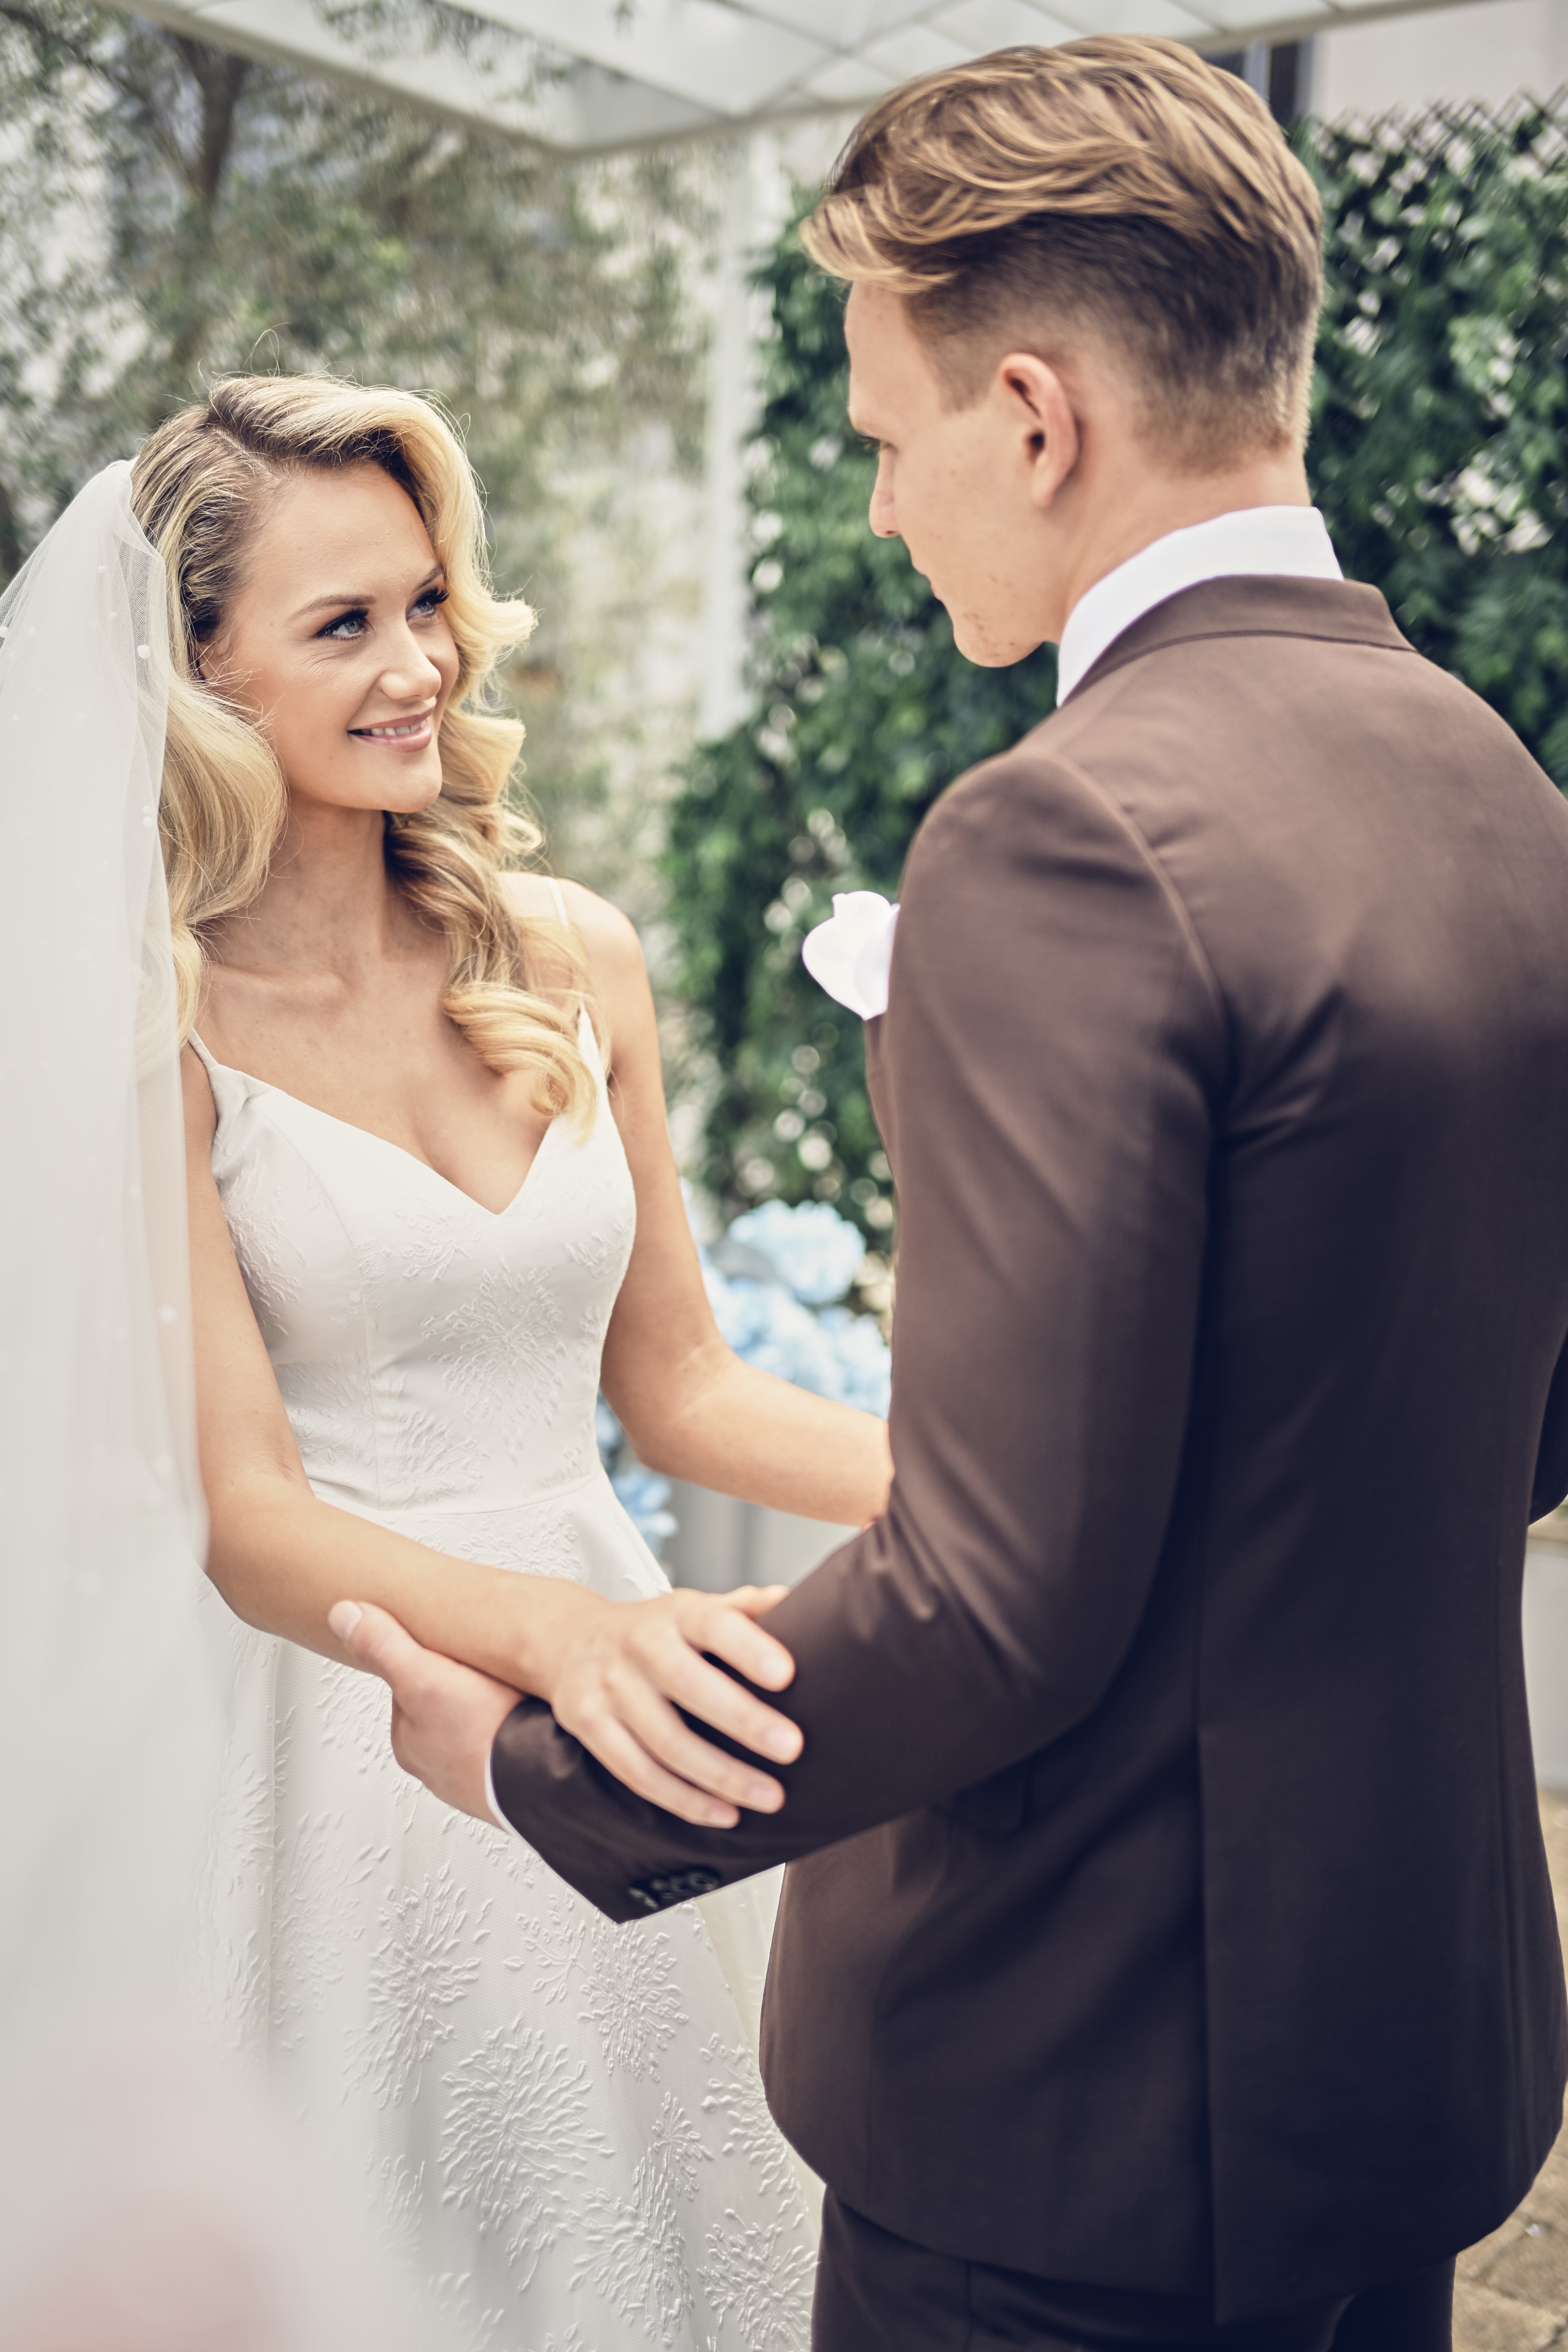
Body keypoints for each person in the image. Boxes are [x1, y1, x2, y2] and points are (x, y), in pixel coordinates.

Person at [340, 35, 1568, 2352]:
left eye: (890, 444)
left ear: (1032, 415)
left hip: (1067, 2118)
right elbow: (1514, 1415)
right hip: (1391, 2056)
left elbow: (997, 1605)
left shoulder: (1058, 831)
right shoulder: (1499, 790)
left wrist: (530, 1767)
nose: (888, 512)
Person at [116, 373, 892, 2349]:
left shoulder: (574, 959)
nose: (423, 664)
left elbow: (683, 1391)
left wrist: (975, 1489)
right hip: (345, 1720)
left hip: (609, 1689)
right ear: (201, 674)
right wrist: (560, 1644)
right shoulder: (150, 1022)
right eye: (343, 624)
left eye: (428, 598)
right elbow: (249, 1519)